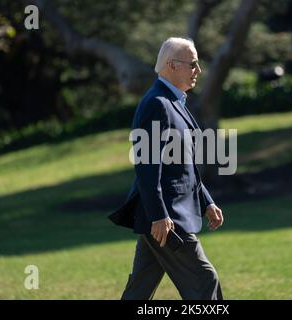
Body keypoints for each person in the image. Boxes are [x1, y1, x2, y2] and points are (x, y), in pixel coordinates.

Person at [109, 37, 224, 300]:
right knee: (205, 281)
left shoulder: (175, 103)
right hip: (166, 217)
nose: (198, 70)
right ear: (173, 66)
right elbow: (147, 167)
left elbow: (183, 166)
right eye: (193, 64)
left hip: (165, 215)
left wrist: (206, 201)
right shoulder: (156, 104)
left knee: (140, 289)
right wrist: (159, 215)